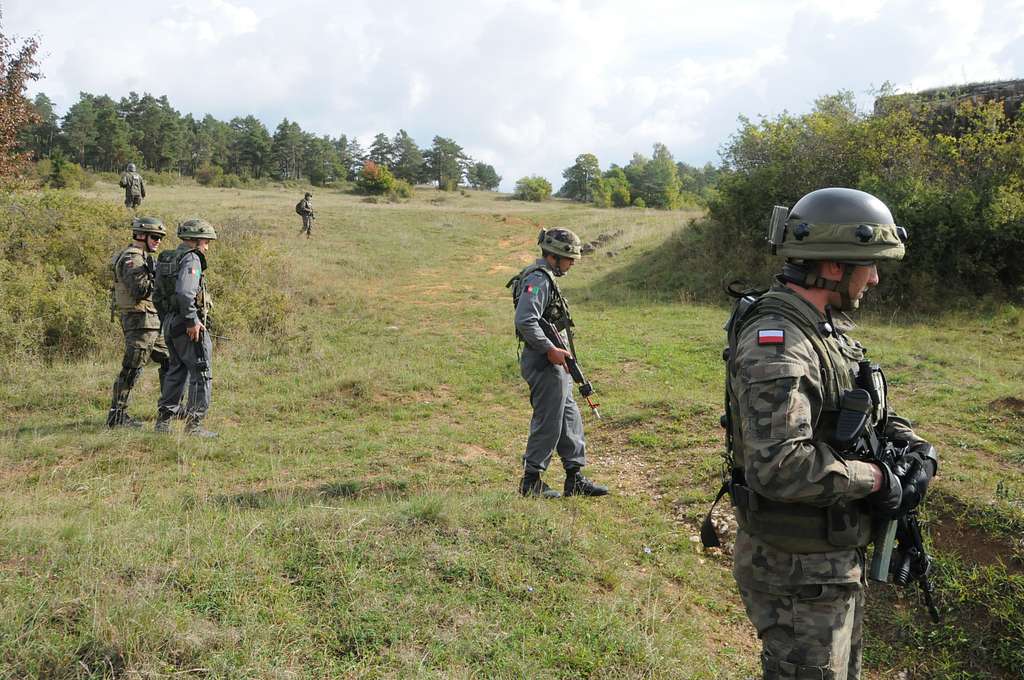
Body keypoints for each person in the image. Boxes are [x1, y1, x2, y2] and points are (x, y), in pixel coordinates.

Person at [722, 188, 938, 679]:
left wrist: (913, 449)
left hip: (828, 562)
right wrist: (879, 480)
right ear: (834, 266)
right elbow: (779, 466)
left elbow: (861, 407)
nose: (876, 278)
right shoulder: (779, 343)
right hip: (798, 570)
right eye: (870, 265)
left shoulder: (824, 328)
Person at [509, 228, 609, 499]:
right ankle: (531, 481)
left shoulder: (547, 277)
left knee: (569, 416)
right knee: (549, 420)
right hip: (543, 361)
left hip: (555, 359)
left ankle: (574, 477)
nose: (573, 263)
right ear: (556, 256)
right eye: (570, 258)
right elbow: (525, 320)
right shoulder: (539, 279)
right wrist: (550, 349)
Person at [154, 218, 218, 438]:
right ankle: (195, 425)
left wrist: (168, 320)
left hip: (171, 322)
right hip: (187, 324)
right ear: (196, 240)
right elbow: (185, 292)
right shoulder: (192, 259)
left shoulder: (168, 257)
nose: (207, 247)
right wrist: (191, 320)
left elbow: (157, 295)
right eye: (206, 241)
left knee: (176, 372)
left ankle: (163, 423)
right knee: (201, 373)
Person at [106, 217, 169, 428]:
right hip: (140, 322)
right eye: (155, 237)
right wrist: (157, 275)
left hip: (150, 321)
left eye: (160, 238)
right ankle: (117, 416)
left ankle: (169, 408)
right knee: (132, 368)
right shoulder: (133, 258)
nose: (158, 241)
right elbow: (139, 290)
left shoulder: (141, 256)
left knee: (170, 359)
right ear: (141, 236)